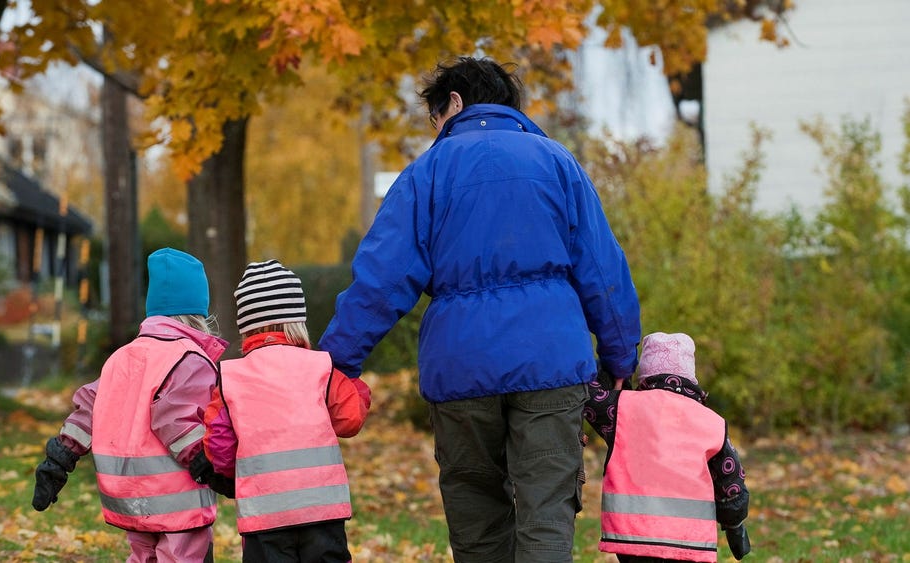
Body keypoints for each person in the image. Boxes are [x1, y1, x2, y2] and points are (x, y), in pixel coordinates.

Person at [317, 56, 642, 562]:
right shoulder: (558, 163)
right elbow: (603, 270)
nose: (436, 132)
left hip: (460, 369)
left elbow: (381, 281)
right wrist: (621, 358)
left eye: (434, 119)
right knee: (546, 516)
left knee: (477, 519)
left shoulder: (426, 174)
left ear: (455, 103)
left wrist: (336, 362)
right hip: (552, 364)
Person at [31, 247, 233, 563]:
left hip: (126, 494)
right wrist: (211, 467)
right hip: (176, 495)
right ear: (197, 311)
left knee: (143, 556)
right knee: (181, 556)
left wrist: (60, 457)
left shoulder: (122, 357)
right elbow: (179, 420)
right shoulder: (189, 359)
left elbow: (88, 410)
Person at [202, 259, 371, 563]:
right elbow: (350, 419)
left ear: (245, 325)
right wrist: (355, 384)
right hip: (323, 509)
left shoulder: (231, 377)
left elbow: (218, 443)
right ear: (298, 320)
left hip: (264, 514)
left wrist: (233, 474)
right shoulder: (320, 366)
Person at [583, 332, 752, 562]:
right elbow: (730, 481)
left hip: (633, 535)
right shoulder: (712, 422)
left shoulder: (623, 408)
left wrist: (612, 367)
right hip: (690, 538)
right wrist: (735, 523)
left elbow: (588, 395)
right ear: (690, 375)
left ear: (645, 373)